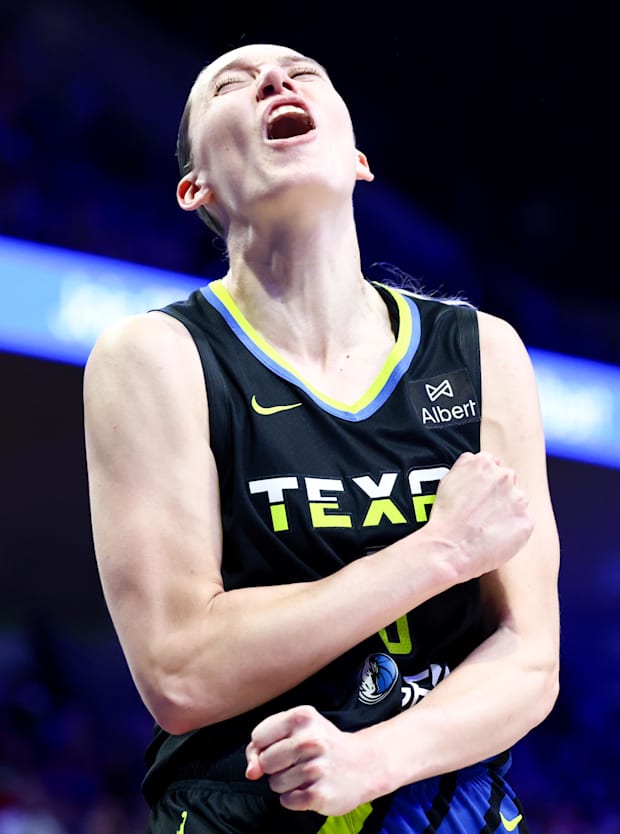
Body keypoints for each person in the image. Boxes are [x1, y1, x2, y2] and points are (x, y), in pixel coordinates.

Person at [83, 42, 560, 834]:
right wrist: (435, 553)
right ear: (194, 186)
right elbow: (181, 672)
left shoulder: (482, 352)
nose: (274, 80)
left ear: (359, 159)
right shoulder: (156, 356)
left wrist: (372, 760)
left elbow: (530, 661)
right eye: (231, 86)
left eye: (303, 73)